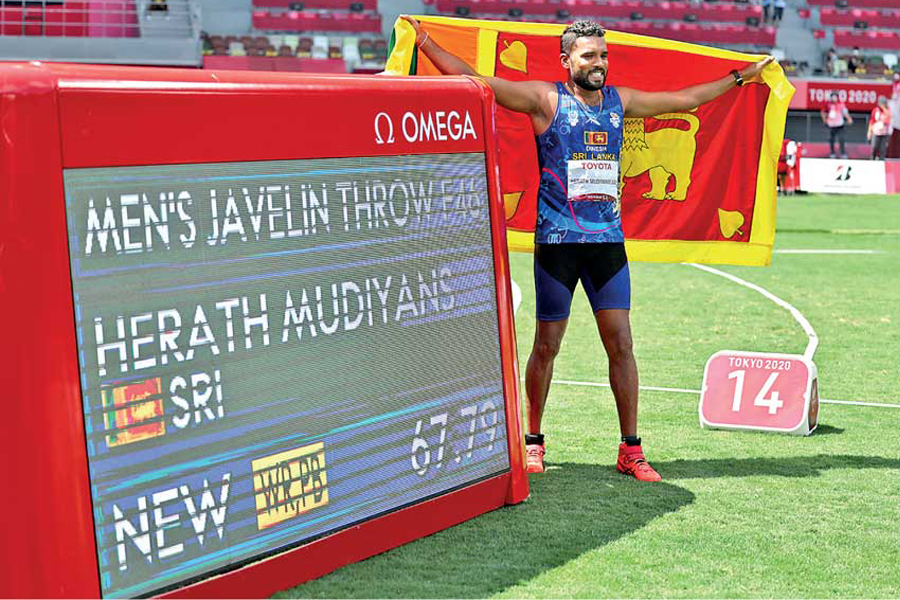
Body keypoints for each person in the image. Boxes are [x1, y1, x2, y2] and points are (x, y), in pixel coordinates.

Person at [402, 16, 772, 482]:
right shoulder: (544, 100)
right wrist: (426, 41)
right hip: (557, 245)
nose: (599, 63)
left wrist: (741, 78)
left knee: (622, 343)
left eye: (603, 55)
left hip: (606, 247)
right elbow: (478, 81)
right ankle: (532, 441)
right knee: (547, 346)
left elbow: (686, 100)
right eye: (589, 55)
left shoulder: (622, 102)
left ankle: (630, 450)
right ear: (567, 60)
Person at [821, 92, 852, 158]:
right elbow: (823, 111)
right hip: (831, 125)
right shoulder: (828, 104)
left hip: (839, 125)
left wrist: (849, 119)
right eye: (833, 97)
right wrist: (824, 119)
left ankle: (843, 153)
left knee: (841, 139)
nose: (834, 98)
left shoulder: (841, 104)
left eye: (835, 97)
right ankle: (832, 153)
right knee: (831, 139)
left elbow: (845, 113)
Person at [867, 96, 892, 160]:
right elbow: (872, 121)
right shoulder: (875, 110)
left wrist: (884, 109)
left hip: (884, 133)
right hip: (876, 132)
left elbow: (889, 118)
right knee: (874, 147)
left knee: (883, 149)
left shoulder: (888, 110)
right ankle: (873, 158)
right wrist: (869, 132)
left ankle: (882, 160)